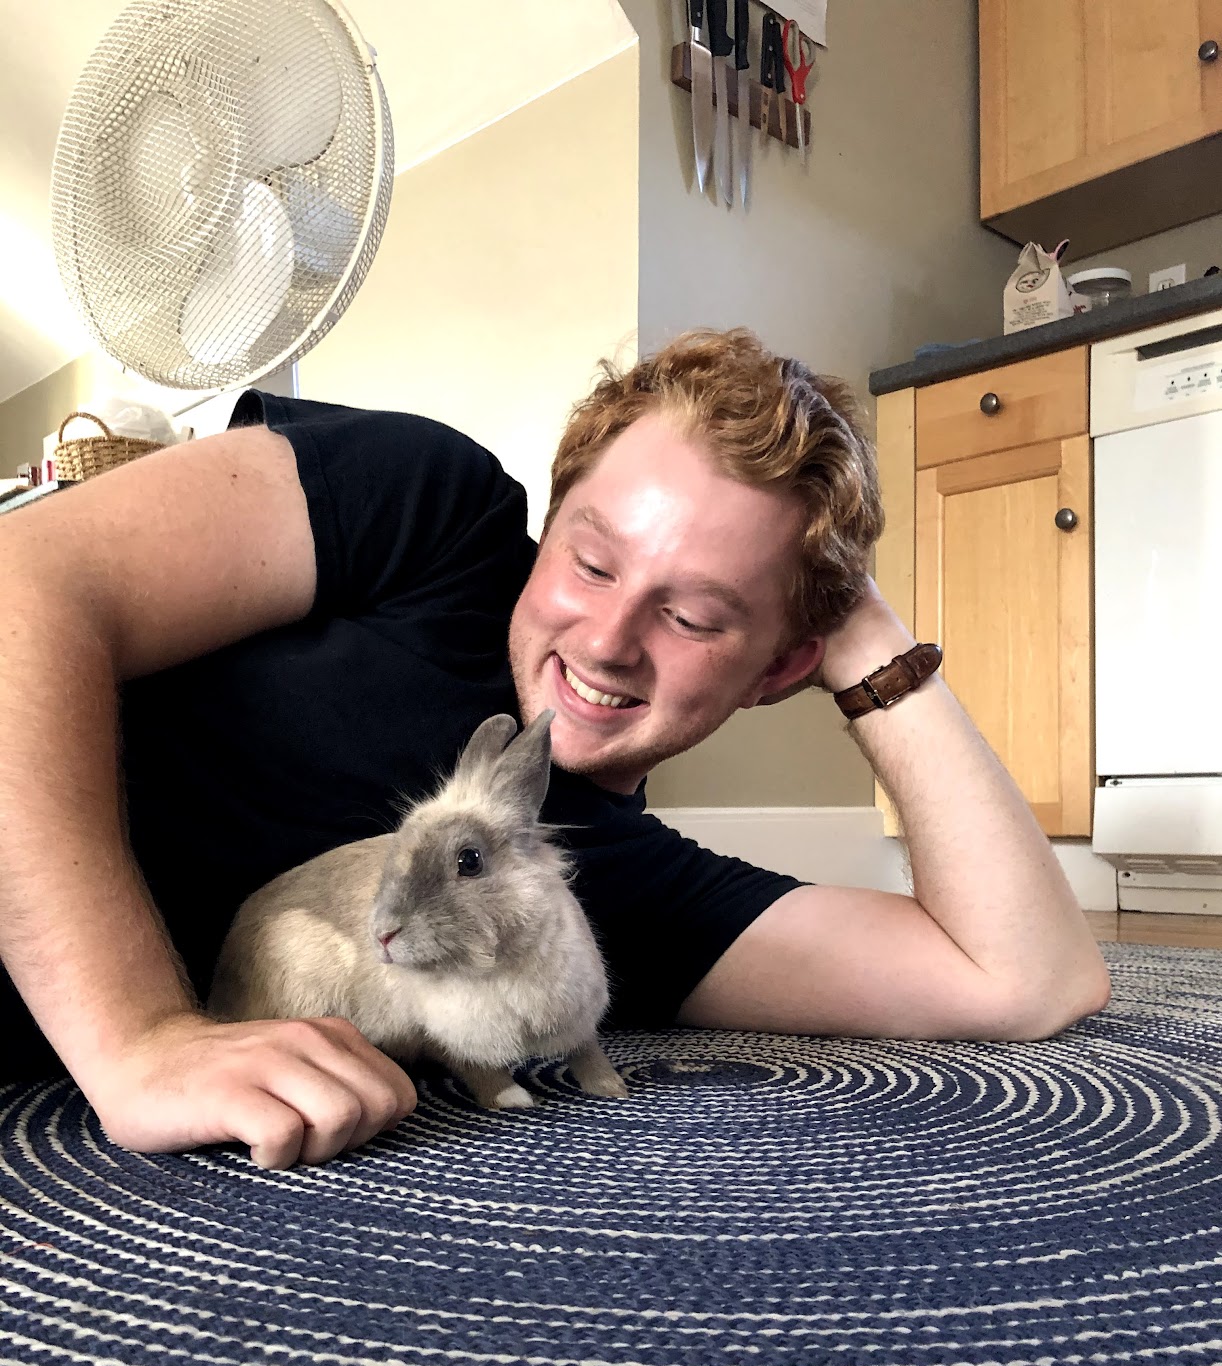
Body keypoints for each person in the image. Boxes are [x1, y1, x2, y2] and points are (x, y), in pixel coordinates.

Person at [0, 328, 1109, 1168]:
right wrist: (140, 1035)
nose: (607, 640)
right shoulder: (429, 510)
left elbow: (1029, 978)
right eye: (590, 561)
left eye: (696, 616)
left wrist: (864, 636)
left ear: (777, 671)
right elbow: (21, 587)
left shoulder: (629, 892)